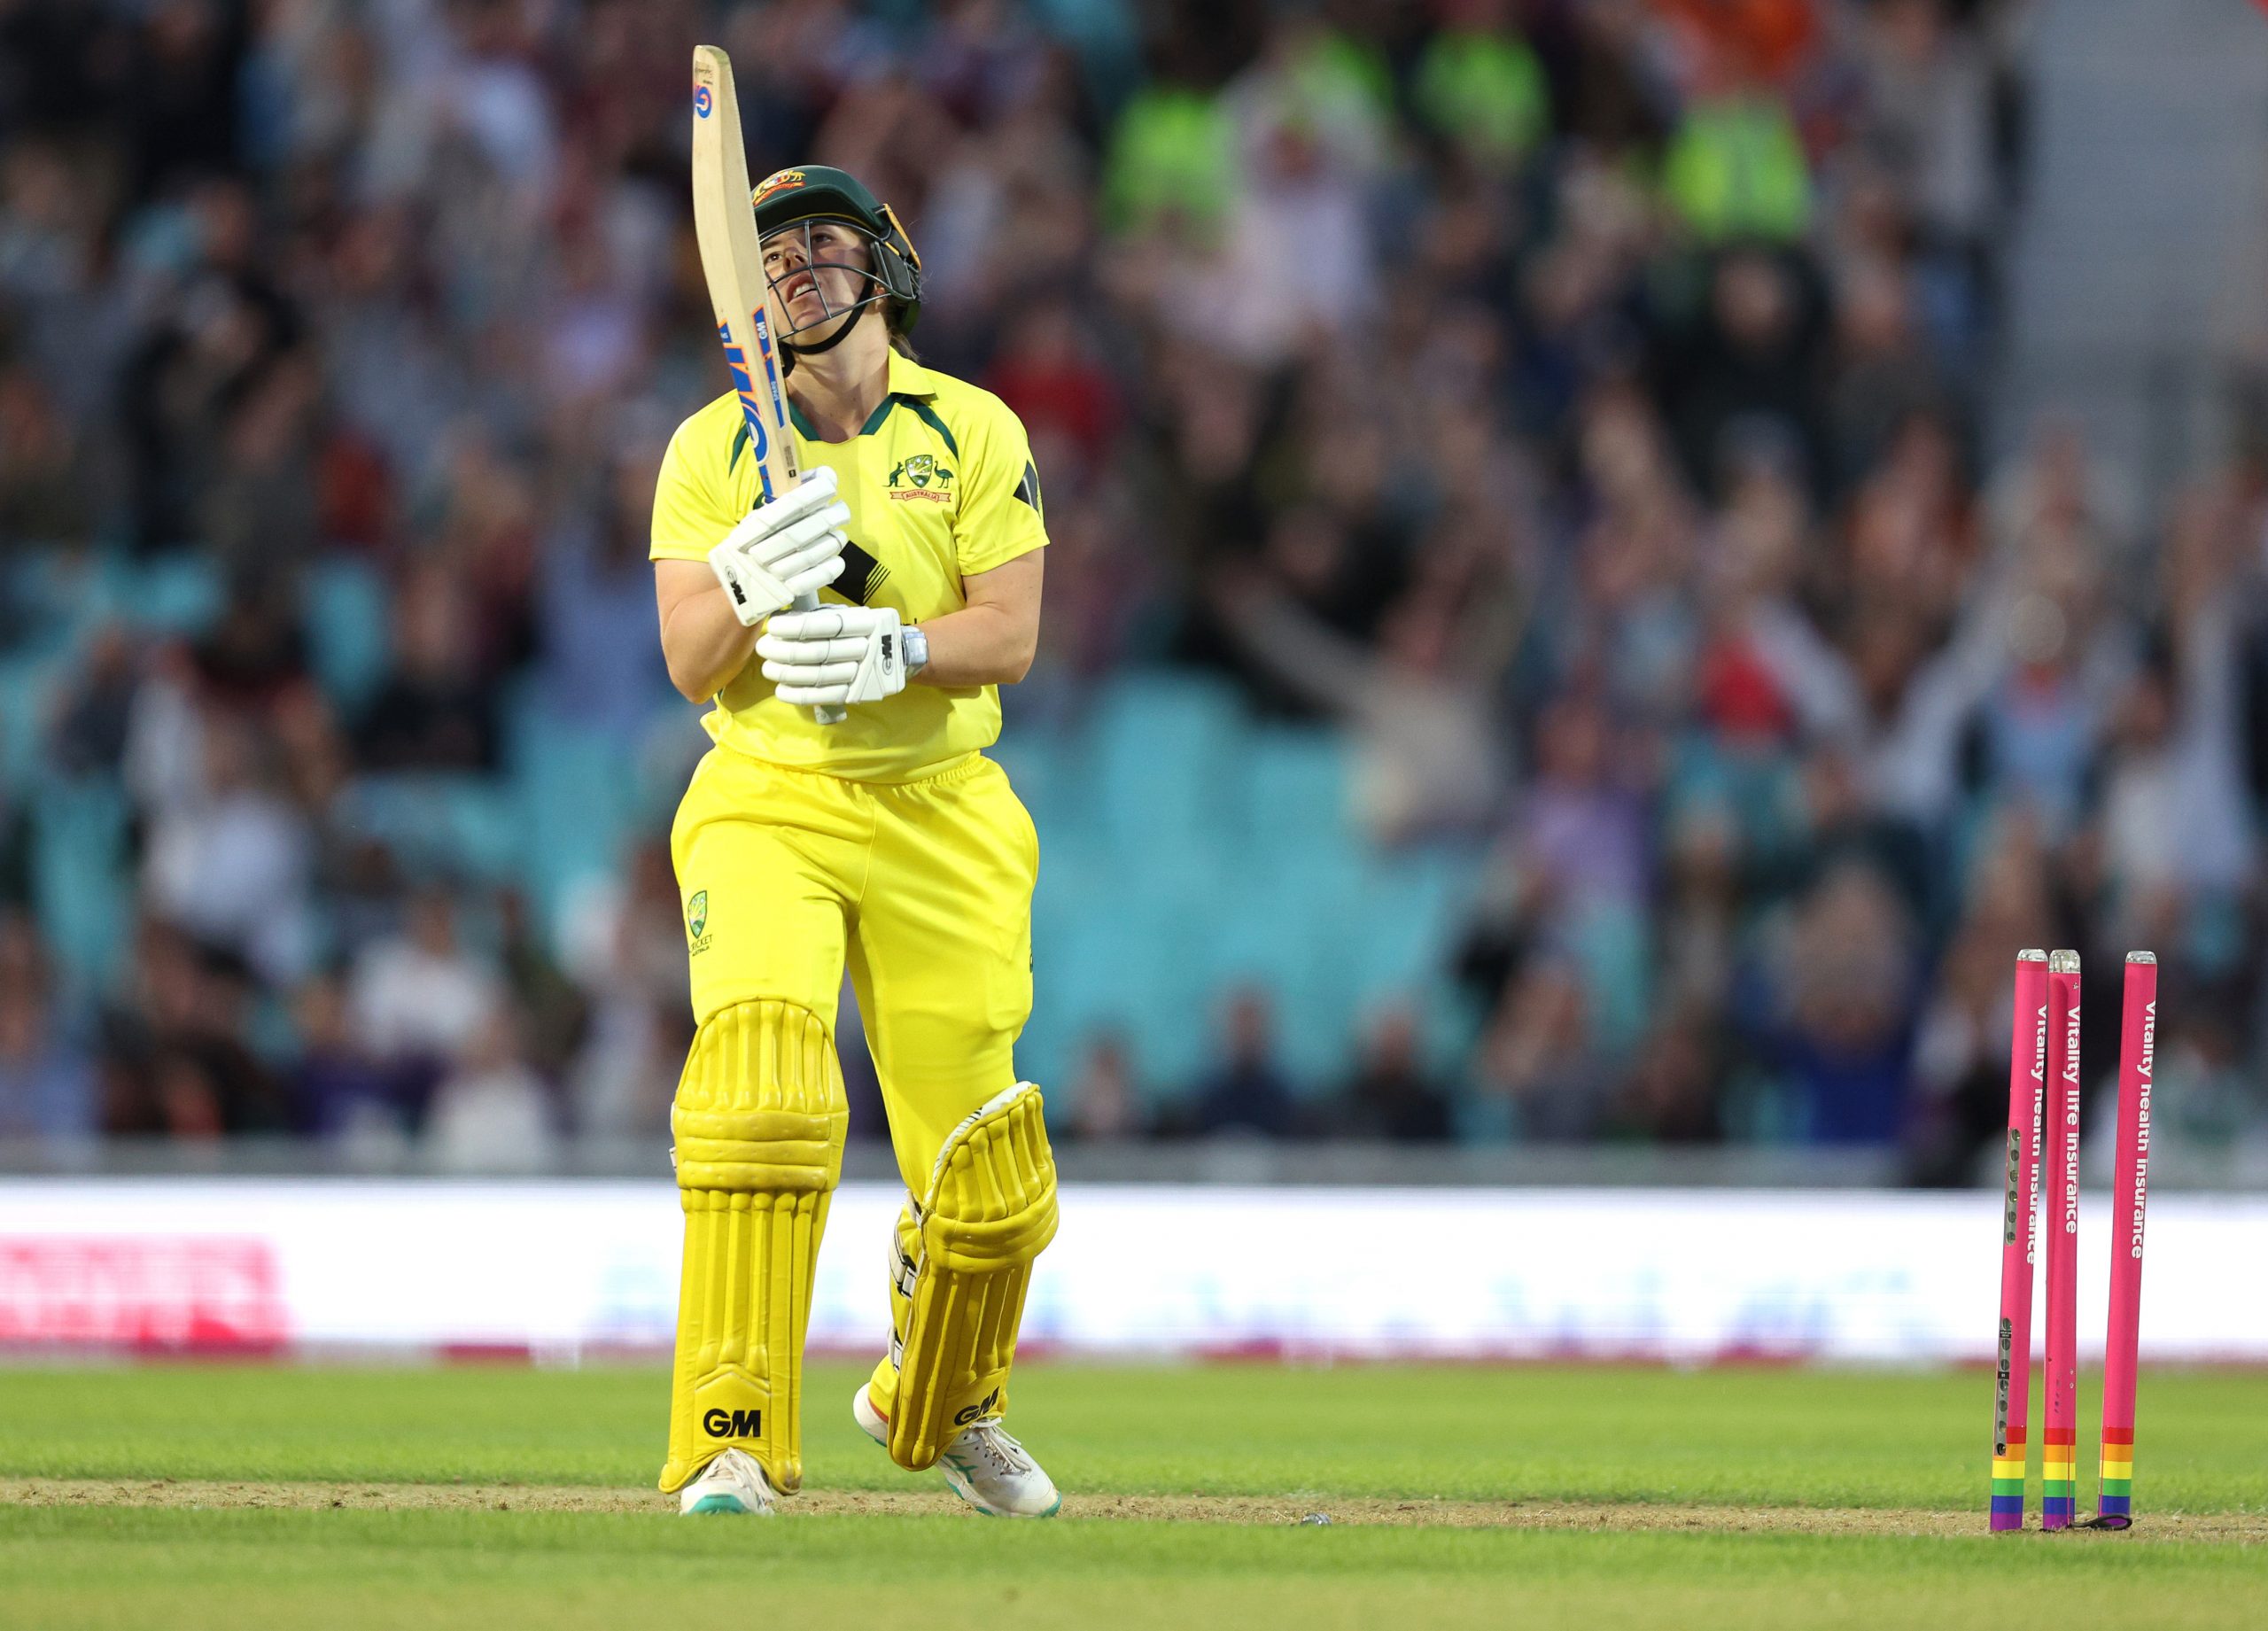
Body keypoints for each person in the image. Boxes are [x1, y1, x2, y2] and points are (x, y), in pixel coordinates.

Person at [648, 167, 1057, 1518]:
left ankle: (942, 1399)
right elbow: (687, 659)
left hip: (944, 804)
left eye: (825, 242)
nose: (796, 267)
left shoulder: (977, 428)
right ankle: (731, 1433)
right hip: (772, 793)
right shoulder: (711, 447)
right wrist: (749, 578)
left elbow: (1013, 629)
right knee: (763, 1090)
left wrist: (895, 646)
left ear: (885, 264)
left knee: (987, 1177)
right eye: (769, 254)